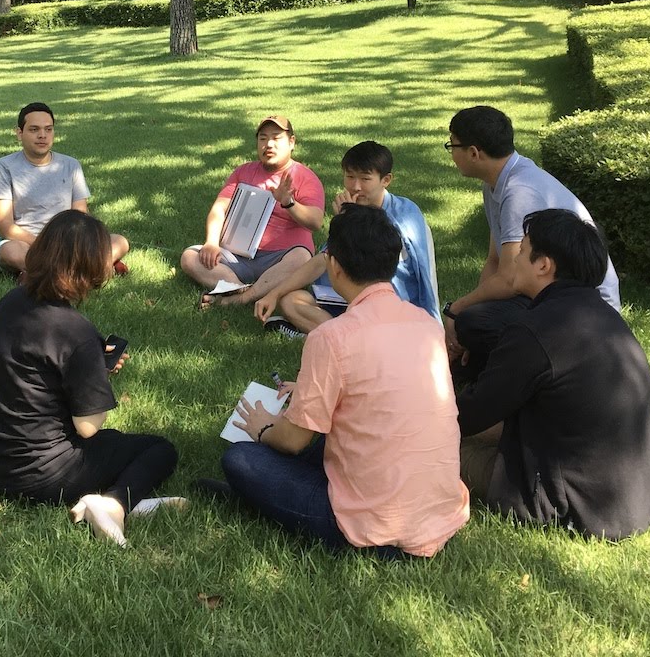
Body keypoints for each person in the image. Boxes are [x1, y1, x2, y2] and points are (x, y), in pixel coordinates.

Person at [207, 204, 469, 558]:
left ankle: (271, 500)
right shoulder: (426, 325)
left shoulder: (332, 337)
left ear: (334, 266)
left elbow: (292, 442)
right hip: (439, 509)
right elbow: (379, 389)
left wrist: (264, 428)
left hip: (372, 527)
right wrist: (308, 391)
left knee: (241, 459)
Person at [457, 209, 650, 540]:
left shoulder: (534, 330)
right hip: (643, 496)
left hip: (583, 506)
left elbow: (471, 414)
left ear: (544, 265)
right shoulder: (604, 314)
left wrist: (419, 418)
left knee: (441, 448)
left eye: (522, 251)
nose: (514, 261)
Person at [0, 210, 182, 546]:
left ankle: (119, 500)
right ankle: (114, 505)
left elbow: (37, 372)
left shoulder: (10, 303)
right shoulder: (78, 333)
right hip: (44, 473)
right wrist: (96, 375)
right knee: (159, 450)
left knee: (115, 444)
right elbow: (88, 427)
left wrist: (90, 368)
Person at [442, 105, 620, 375]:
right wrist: (473, 315)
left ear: (474, 153)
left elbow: (510, 279)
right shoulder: (495, 183)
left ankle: (533, 374)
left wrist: (455, 311)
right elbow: (495, 261)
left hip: (588, 310)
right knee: (472, 330)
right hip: (546, 293)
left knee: (473, 323)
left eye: (452, 145)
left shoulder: (519, 192)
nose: (452, 155)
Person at [254, 140, 439, 336]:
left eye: (365, 179)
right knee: (291, 301)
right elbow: (325, 260)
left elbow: (377, 274)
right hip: (348, 299)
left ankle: (331, 334)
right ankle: (340, 333)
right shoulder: (352, 209)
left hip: (388, 303)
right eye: (350, 177)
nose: (355, 187)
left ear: (386, 180)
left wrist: (348, 222)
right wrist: (274, 293)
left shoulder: (402, 217)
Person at [180, 116, 325, 309]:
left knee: (302, 258)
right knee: (189, 257)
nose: (269, 144)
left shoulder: (305, 177)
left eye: (276, 138)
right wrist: (212, 242)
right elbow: (219, 208)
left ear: (291, 142)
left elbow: (315, 222)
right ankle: (237, 286)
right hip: (237, 255)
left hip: (281, 258)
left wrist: (288, 202)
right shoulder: (243, 172)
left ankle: (244, 297)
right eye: (263, 138)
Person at [0, 102, 130, 275]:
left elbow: (80, 217)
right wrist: (48, 247)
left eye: (48, 129)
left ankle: (46, 273)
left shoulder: (71, 165)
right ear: (19, 133)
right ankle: (92, 268)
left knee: (120, 242)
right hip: (22, 243)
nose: (42, 135)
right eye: (34, 129)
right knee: (13, 253)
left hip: (67, 243)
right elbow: (5, 227)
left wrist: (73, 245)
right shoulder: (3, 167)